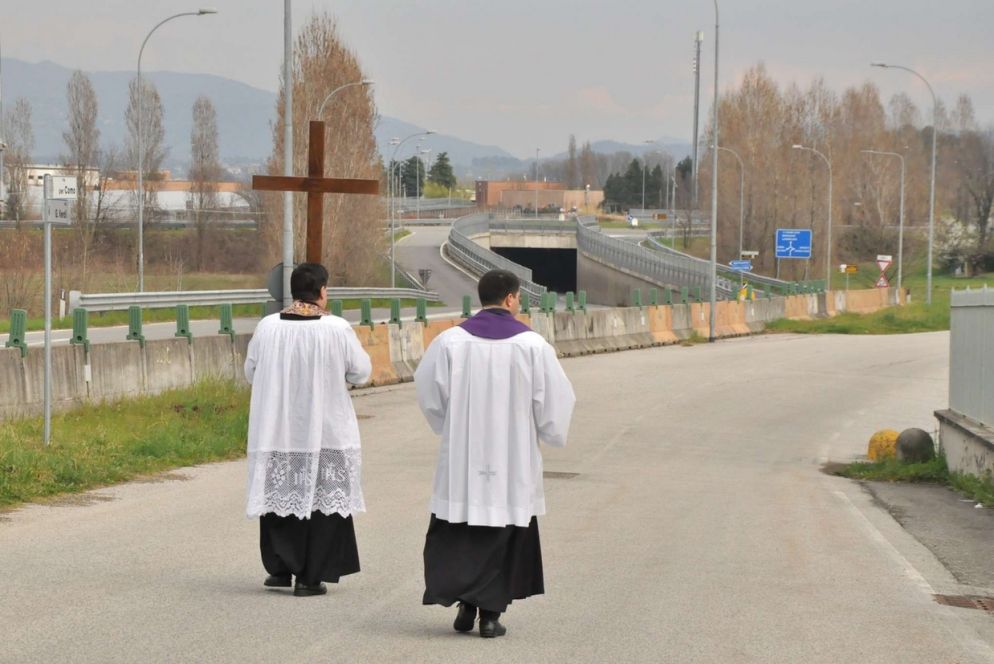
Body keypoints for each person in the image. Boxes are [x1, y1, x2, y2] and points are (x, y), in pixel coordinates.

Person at [414, 269, 576, 638]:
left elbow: (427, 389)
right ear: (509, 299)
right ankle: (488, 615)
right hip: (511, 456)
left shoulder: (450, 341)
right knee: (502, 530)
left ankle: (465, 603)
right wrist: (550, 432)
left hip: (463, 456)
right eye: (519, 298)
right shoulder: (532, 346)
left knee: (462, 529)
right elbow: (555, 400)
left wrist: (447, 424)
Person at [244, 262, 372, 597]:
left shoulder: (268, 327)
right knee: (320, 502)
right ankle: (310, 577)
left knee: (282, 497)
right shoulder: (336, 329)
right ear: (322, 291)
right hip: (324, 428)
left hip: (278, 428)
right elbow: (361, 372)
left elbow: (250, 371)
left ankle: (281, 569)